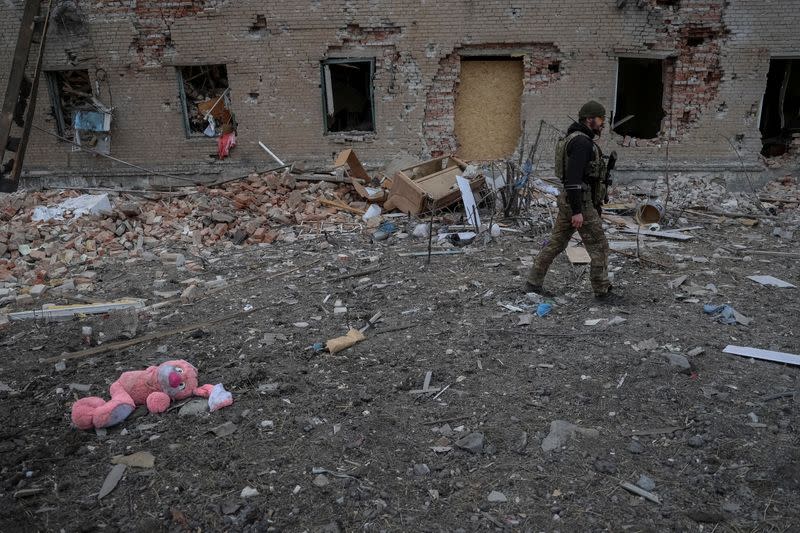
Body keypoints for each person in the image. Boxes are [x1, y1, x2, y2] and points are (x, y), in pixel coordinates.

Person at [525, 100, 618, 301]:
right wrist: (578, 211)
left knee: (556, 243)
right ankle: (602, 291)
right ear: (589, 119)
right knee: (599, 246)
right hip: (579, 203)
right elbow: (574, 179)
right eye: (600, 119)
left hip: (572, 201)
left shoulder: (573, 138)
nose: (602, 124)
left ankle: (533, 282)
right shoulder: (582, 143)